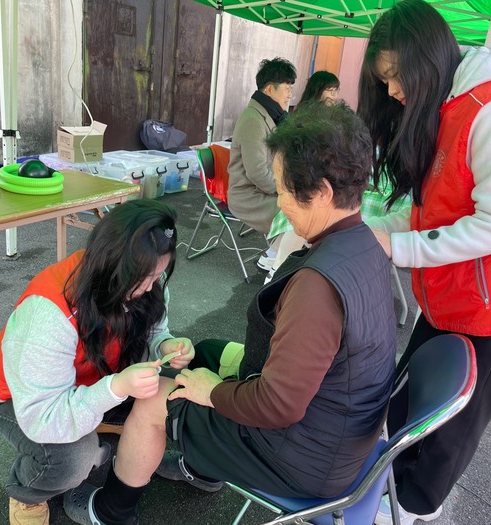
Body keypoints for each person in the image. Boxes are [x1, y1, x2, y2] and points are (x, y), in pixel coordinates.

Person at [61, 101, 397, 525]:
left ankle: (111, 510)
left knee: (155, 401)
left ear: (324, 193)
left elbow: (277, 405)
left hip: (302, 459)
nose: (280, 203)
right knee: (205, 353)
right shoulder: (366, 243)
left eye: (284, 190)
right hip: (341, 433)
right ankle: (203, 470)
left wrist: (213, 393)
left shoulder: (317, 288)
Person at [357, 1, 491, 524]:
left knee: (450, 426)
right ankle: (388, 488)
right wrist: (375, 229)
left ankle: (415, 508)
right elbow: (435, 206)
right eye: (383, 81)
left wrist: (397, 248)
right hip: (455, 294)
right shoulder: (448, 104)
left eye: (395, 76)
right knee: (405, 402)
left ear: (426, 60)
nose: (391, 91)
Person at [0, 200, 195, 525]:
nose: (151, 287)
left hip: (95, 379)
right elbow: (43, 418)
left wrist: (164, 344)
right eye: (144, 278)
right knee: (73, 460)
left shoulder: (145, 281)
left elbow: (154, 329)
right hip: (25, 401)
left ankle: (109, 429)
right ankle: (28, 491)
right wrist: (116, 388)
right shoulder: (48, 314)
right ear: (113, 266)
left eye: (158, 275)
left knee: (169, 397)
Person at [263, 70, 342, 283]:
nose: (334, 96)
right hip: (301, 176)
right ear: (318, 90)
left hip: (315, 178)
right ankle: (277, 267)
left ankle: (276, 258)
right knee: (303, 217)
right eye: (330, 90)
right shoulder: (305, 116)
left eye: (336, 91)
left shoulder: (331, 115)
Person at [227, 57, 298, 272]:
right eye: (287, 88)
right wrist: (284, 192)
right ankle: (273, 257)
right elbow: (257, 172)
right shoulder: (253, 120)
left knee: (303, 204)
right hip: (247, 195)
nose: (290, 94)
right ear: (269, 89)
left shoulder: (271, 116)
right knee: (296, 211)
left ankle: (277, 253)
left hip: (264, 189)